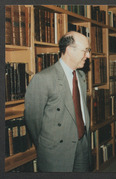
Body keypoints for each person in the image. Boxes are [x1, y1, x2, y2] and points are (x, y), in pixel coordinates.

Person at [24, 31, 91, 172]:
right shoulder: (43, 79)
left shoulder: (81, 76)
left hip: (82, 145)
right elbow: (33, 120)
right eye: (85, 51)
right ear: (69, 50)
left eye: (88, 51)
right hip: (57, 152)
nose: (88, 56)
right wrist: (47, 144)